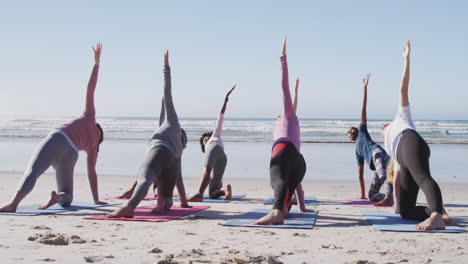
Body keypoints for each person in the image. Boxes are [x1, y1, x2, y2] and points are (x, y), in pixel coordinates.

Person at [0, 43, 107, 212]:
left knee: (33, 171)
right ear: (100, 138)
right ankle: (59, 197)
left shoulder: (90, 117)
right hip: (72, 153)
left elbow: (90, 89)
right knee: (67, 198)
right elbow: (91, 173)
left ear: (98, 128)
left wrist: (96, 63)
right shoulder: (93, 146)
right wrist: (96, 199)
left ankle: (13, 203)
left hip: (59, 138)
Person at [106, 50, 189, 218]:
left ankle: (130, 207)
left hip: (158, 151)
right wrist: (184, 201)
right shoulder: (178, 150)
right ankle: (162, 202)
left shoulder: (171, 124)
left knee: (146, 179)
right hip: (170, 164)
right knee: (165, 198)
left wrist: (166, 68)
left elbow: (168, 96)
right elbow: (178, 178)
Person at [382, 40, 451, 230]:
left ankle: (436, 214)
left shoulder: (401, 118)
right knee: (406, 211)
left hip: (411, 141)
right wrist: (396, 204)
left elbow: (402, 89)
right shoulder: (390, 147)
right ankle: (437, 212)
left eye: (384, 126)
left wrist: (406, 60)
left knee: (422, 177)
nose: (382, 128)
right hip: (403, 156)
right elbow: (396, 177)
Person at [254, 37, 313, 225]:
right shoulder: (293, 121)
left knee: (277, 181)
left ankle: (277, 212)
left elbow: (283, 88)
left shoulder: (286, 117)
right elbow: (299, 186)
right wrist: (302, 207)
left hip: (284, 152)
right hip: (299, 162)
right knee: (286, 186)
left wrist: (283, 58)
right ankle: (283, 209)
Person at [347, 73, 393, 206]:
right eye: (348, 132)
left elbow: (363, 110)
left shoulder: (362, 131)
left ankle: (389, 197)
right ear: (350, 138)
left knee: (384, 175)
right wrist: (362, 194)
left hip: (377, 153)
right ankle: (393, 196)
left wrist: (364, 89)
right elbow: (360, 175)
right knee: (372, 195)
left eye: (351, 129)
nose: (350, 131)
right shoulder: (357, 152)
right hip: (378, 161)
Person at [188, 86, 236, 202]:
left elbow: (220, 116)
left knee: (206, 170)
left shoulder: (215, 135)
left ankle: (199, 194)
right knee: (212, 193)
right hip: (223, 157)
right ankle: (225, 190)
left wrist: (225, 100)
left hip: (215, 149)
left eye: (205, 138)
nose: (204, 140)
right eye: (203, 141)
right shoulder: (213, 143)